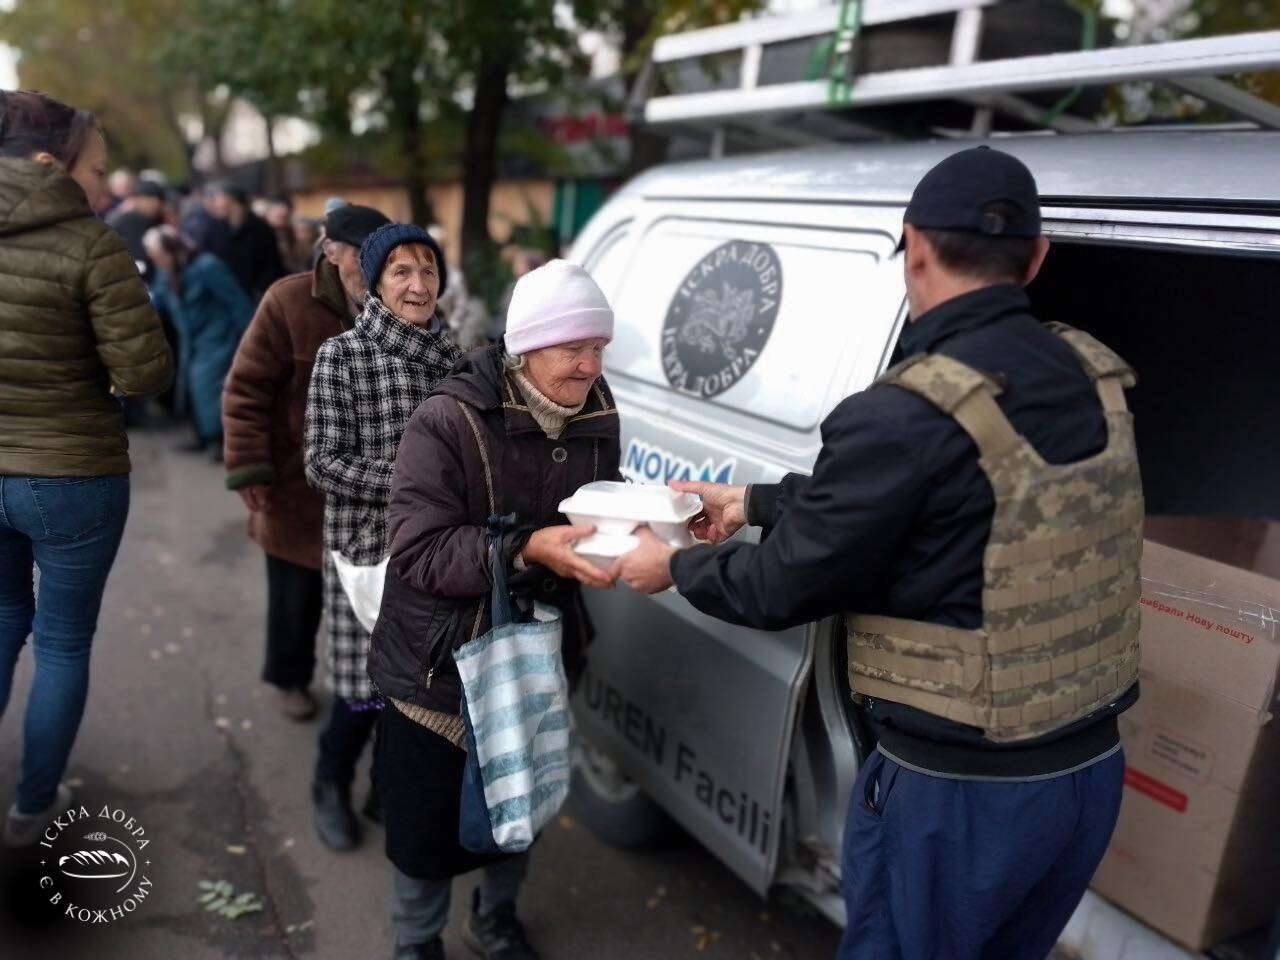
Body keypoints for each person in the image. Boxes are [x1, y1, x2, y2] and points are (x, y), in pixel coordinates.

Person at [615, 147, 1143, 960]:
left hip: (959, 796)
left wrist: (673, 566)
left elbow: (780, 588)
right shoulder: (1094, 374)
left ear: (915, 247)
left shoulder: (903, 413)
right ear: (1036, 258)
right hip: (1088, 774)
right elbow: (956, 509)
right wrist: (753, 502)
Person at [370, 258, 619, 960]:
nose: (589, 365)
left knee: (522, 808)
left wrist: (651, 525)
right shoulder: (446, 420)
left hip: (538, 654)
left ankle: (496, 918)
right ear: (528, 345)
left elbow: (599, 499)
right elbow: (418, 553)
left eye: (598, 347)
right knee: (425, 832)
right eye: (574, 348)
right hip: (439, 668)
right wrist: (527, 548)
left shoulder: (597, 410)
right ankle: (416, 943)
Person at [0, 90, 173, 846]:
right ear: (50, 164)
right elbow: (144, 373)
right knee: (63, 644)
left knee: (3, 621)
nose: (105, 185)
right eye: (97, 169)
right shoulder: (90, 245)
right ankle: (34, 805)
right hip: (71, 476)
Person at [303, 223, 461, 854]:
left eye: (428, 270)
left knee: (414, 688)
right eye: (401, 272)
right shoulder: (341, 357)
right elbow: (321, 461)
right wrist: (408, 485)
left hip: (435, 552)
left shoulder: (456, 360)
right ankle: (328, 782)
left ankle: (383, 787)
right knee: (361, 689)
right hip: (364, 550)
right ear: (374, 283)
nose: (419, 285)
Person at [222, 204, 391, 723]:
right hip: (296, 486)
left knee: (365, 600)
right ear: (331, 252)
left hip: (367, 489)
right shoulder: (288, 300)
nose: (374, 270)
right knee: (294, 596)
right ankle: (290, 677)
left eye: (380, 258)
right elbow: (245, 390)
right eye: (362, 258)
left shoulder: (399, 303)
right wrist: (250, 467)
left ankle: (364, 691)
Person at [145, 225, 254, 458]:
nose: (157, 262)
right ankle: (203, 436)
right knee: (194, 387)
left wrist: (250, 339)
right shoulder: (169, 273)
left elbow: (237, 302)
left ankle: (218, 440)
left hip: (217, 336)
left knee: (209, 387)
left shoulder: (207, 266)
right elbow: (158, 301)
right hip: (191, 339)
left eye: (158, 256)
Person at [203, 181, 288, 304]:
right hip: (228, 299)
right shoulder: (214, 230)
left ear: (232, 201)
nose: (216, 204)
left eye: (219, 199)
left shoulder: (261, 229)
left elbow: (273, 265)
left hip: (258, 298)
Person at [106, 178, 167, 283]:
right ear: (137, 200)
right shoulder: (131, 221)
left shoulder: (154, 221)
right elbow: (139, 264)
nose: (154, 204)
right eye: (149, 199)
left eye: (158, 200)